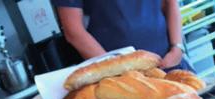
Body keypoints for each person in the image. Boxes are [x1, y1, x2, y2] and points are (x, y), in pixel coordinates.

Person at [54, 0, 192, 70]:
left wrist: (177, 47)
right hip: (120, 78)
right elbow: (73, 31)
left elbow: (171, 4)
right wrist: (115, 70)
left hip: (169, 62)